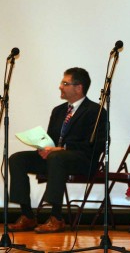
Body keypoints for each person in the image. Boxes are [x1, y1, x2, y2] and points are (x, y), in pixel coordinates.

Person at [8, 67, 107, 233]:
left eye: (65, 83)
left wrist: (62, 149)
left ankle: (56, 217)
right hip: (56, 159)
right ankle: (27, 216)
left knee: (56, 157)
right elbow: (51, 140)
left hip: (83, 160)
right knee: (17, 158)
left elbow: (97, 144)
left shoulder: (95, 112)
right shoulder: (59, 111)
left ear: (78, 87)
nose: (60, 86)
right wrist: (43, 147)